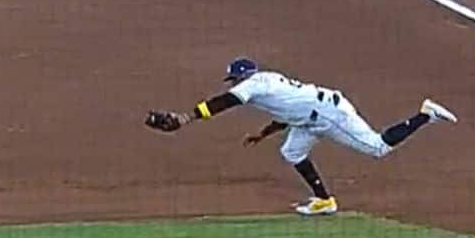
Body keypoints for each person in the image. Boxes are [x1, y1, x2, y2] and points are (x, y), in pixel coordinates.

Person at [145, 57, 457, 216]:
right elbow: (287, 112)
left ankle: (425, 114)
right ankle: (325, 201)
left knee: (377, 147)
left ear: (242, 76)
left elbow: (224, 102)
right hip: (310, 117)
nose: (233, 84)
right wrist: (263, 134)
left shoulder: (254, 84)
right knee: (291, 153)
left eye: (234, 79)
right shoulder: (268, 84)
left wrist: (186, 117)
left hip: (329, 114)